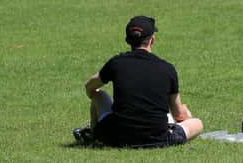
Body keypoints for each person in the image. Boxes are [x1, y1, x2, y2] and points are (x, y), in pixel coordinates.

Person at [73, 15, 204, 147]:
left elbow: (90, 86)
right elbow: (179, 113)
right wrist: (186, 115)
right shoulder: (167, 68)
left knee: (98, 94)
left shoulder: (116, 63)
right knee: (197, 123)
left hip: (116, 137)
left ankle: (95, 134)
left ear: (127, 40)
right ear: (152, 40)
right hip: (157, 138)